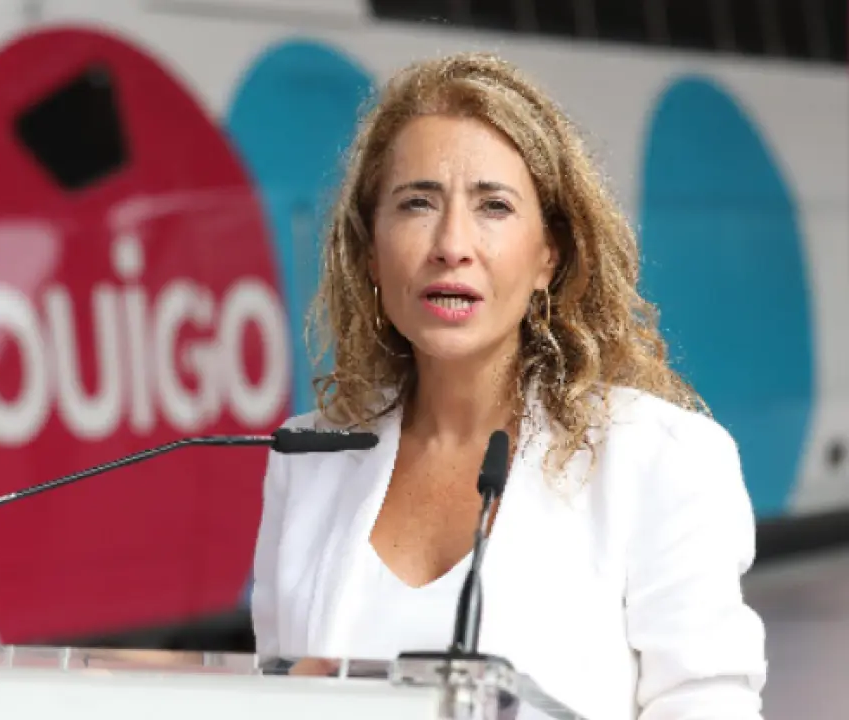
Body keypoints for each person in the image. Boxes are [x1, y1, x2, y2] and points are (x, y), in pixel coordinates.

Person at [248, 52, 767, 719]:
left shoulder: (660, 457)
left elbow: (707, 704)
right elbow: (271, 694)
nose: (451, 244)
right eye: (416, 204)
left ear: (549, 254)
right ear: (370, 251)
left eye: (493, 206)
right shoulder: (306, 457)